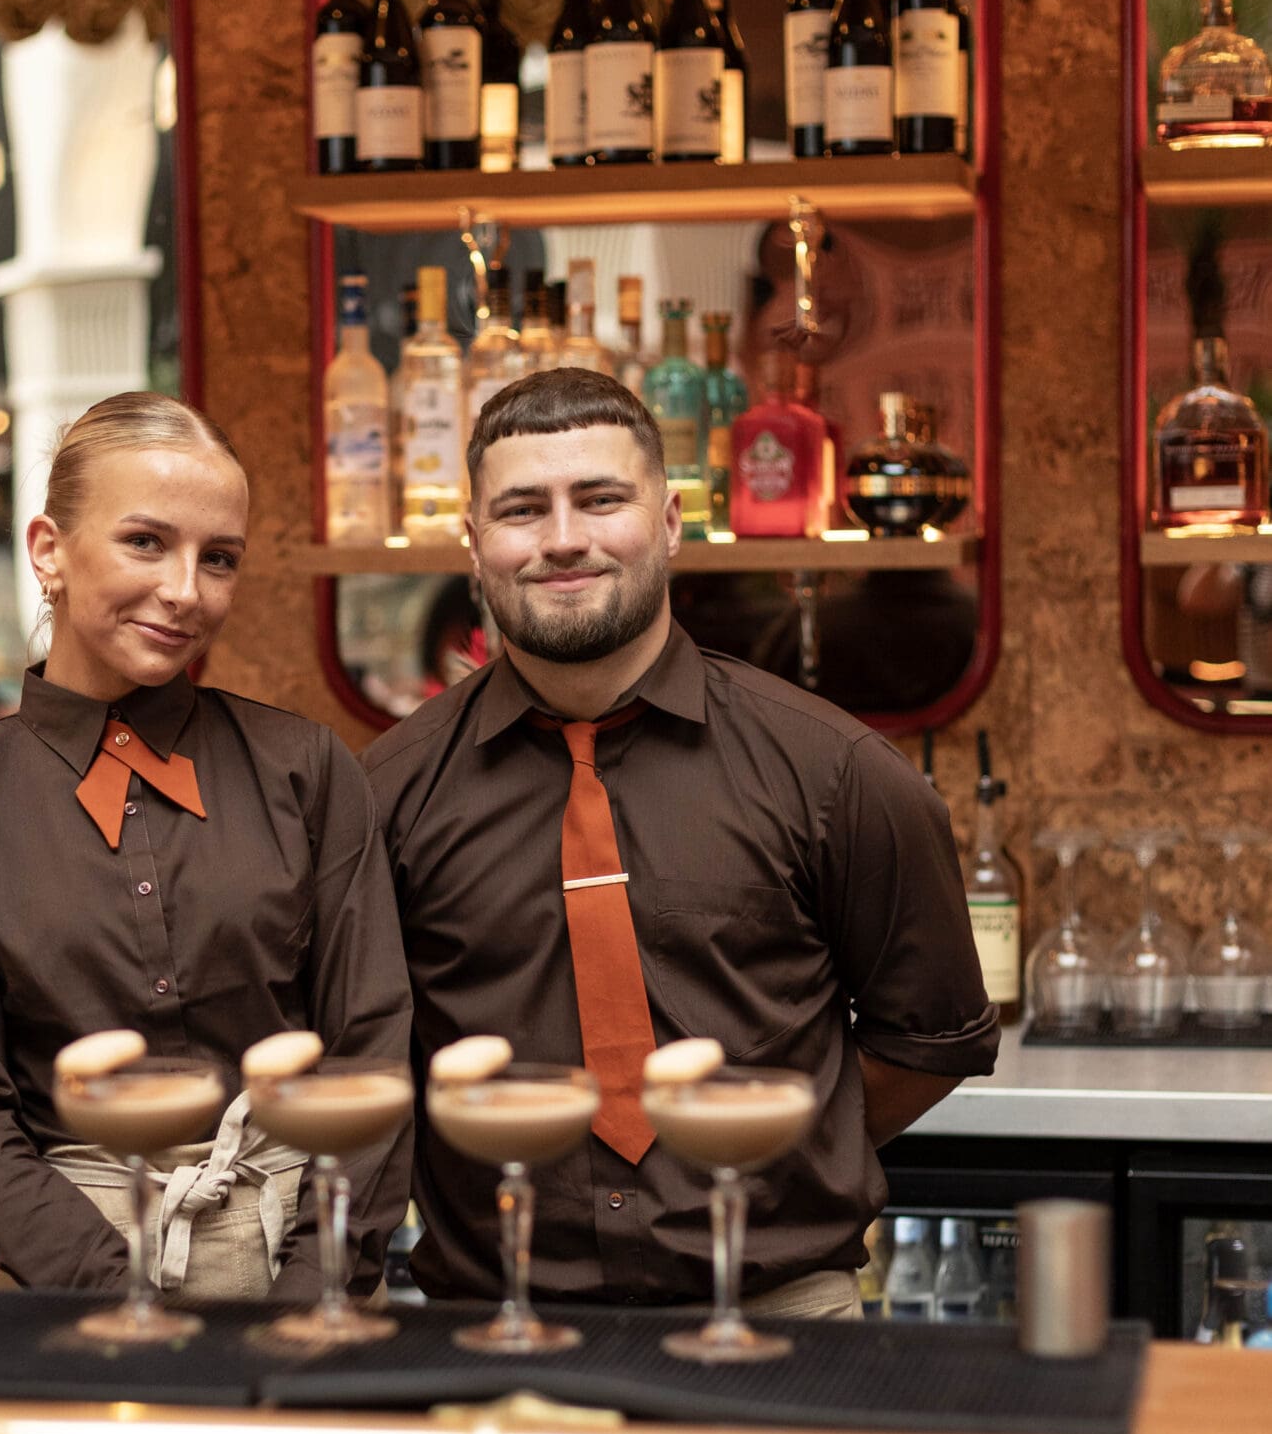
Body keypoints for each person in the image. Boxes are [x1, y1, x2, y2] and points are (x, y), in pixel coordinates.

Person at [364, 368, 998, 1318]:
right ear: (473, 544)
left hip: (786, 1321)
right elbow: (367, 1062)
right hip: (491, 1326)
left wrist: (768, 1152)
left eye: (602, 500)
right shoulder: (385, 795)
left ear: (667, 523)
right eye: (523, 510)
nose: (565, 539)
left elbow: (930, 1040)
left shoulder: (837, 774)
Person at [0, 391, 412, 1300]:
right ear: (49, 551)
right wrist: (112, 1288)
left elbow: (371, 1051)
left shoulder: (309, 769)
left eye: (220, 559)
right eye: (146, 542)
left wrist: (314, 1282)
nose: (184, 591)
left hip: (297, 1249)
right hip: (66, 1279)